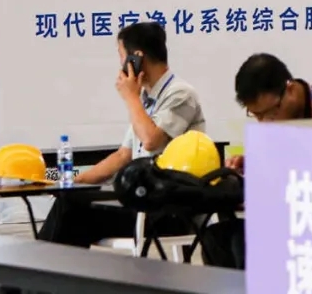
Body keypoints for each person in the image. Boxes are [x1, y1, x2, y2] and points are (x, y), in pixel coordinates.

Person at [38, 21, 205, 246]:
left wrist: (131, 98)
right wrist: (73, 183)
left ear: (136, 57)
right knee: (70, 202)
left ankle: (37, 267)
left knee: (74, 214)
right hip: (144, 201)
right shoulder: (146, 99)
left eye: (121, 55)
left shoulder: (181, 94)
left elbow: (151, 141)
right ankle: (42, 267)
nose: (120, 63)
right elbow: (123, 156)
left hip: (170, 210)